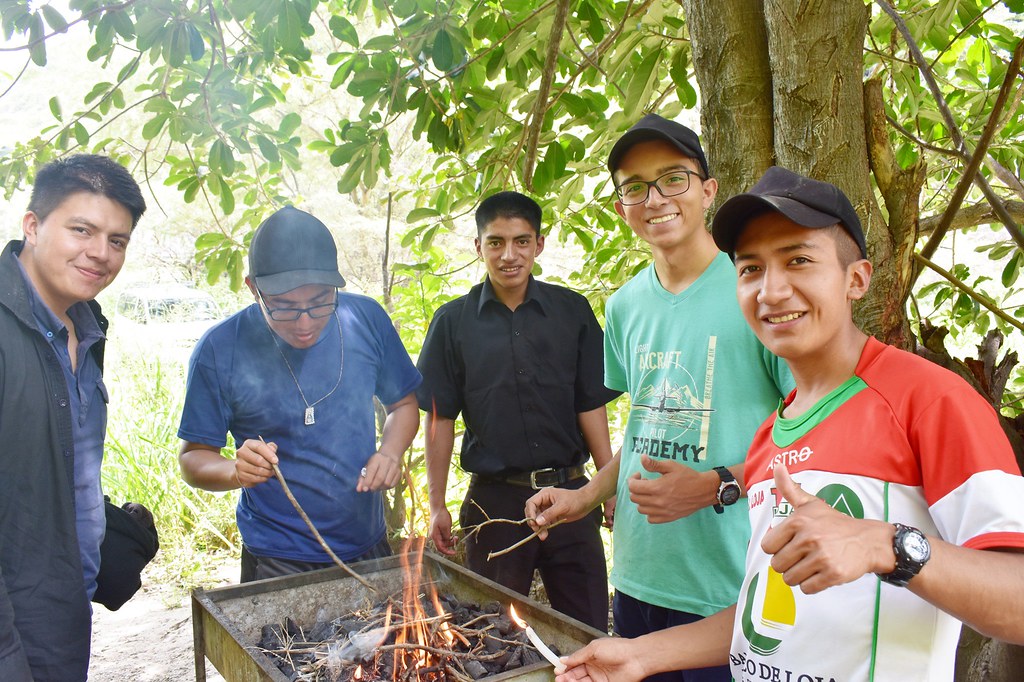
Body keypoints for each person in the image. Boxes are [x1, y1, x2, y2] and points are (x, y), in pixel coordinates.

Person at [553, 166, 1024, 682]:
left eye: (798, 260)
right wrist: (643, 655)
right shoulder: (769, 435)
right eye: (751, 269)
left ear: (856, 279)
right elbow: (767, 608)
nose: (771, 291)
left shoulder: (929, 402)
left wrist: (886, 545)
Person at [526, 114, 792, 681]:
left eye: (673, 178)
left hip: (729, 586)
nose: (655, 199)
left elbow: (814, 439)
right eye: (635, 187)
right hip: (638, 578)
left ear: (708, 190)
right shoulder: (624, 305)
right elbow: (651, 425)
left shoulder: (757, 292)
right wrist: (587, 494)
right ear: (621, 206)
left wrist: (717, 483)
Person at [177, 206, 421, 582]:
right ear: (254, 289)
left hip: (368, 543)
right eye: (285, 307)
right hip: (277, 556)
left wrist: (390, 452)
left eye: (321, 301)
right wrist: (234, 471)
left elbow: (403, 404)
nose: (305, 323)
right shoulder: (220, 349)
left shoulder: (365, 320)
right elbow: (192, 458)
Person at [416, 191, 621, 632]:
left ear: (538, 245)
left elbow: (591, 404)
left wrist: (608, 486)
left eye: (521, 241)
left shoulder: (571, 311)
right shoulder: (452, 323)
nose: (509, 255)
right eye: (496, 242)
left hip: (571, 497)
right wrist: (436, 505)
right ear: (479, 247)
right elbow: (439, 419)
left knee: (586, 632)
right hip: (495, 506)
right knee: (492, 637)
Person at [0, 154, 146, 681]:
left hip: (66, 608)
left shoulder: (85, 328)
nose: (100, 253)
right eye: (81, 230)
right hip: (16, 630)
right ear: (33, 226)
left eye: (117, 240)